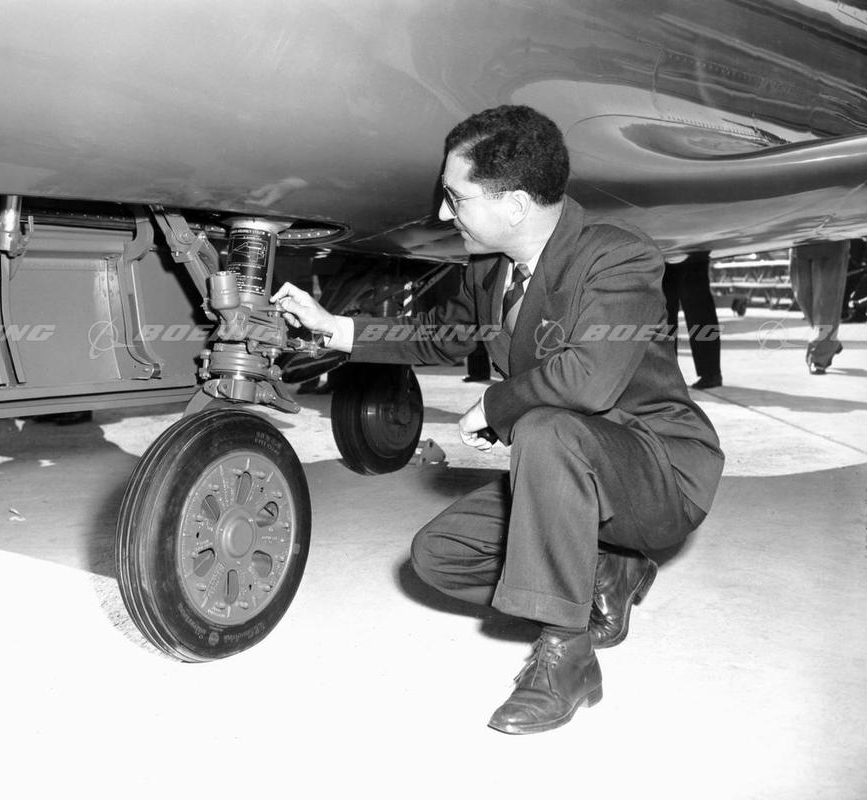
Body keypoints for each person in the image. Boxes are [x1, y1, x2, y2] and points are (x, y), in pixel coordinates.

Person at [272, 105, 724, 735]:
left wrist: (495, 405)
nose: (442, 214)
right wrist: (335, 328)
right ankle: (607, 565)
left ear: (513, 206)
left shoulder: (618, 257)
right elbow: (442, 335)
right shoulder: (490, 268)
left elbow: (589, 379)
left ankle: (567, 657)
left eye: (455, 198)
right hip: (569, 471)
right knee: (437, 558)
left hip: (658, 472)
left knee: (545, 426)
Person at [662, 251, 722, 389]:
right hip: (678, 251)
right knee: (669, 309)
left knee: (695, 307)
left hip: (686, 250)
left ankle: (710, 373)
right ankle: (668, 372)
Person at [789, 241, 850, 374]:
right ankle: (829, 342)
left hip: (832, 241)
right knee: (802, 295)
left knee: (826, 303)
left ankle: (819, 357)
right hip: (800, 241)